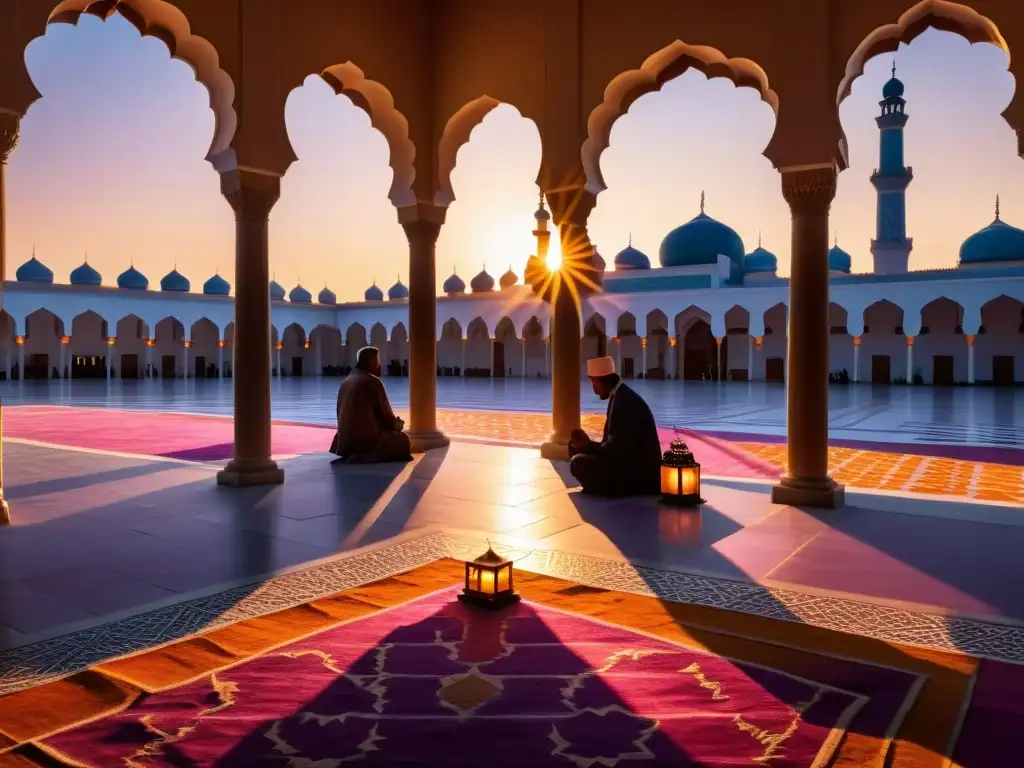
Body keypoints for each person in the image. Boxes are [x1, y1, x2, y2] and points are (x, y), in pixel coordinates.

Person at [568, 356, 662, 497]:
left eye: (593, 381)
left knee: (578, 462)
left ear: (602, 380)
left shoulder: (626, 402)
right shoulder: (619, 396)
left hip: (638, 475)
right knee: (574, 446)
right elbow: (613, 446)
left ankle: (607, 488)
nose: (593, 386)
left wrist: (588, 446)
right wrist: (587, 445)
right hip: (625, 463)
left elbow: (620, 452)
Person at [330, 346, 412, 463]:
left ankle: (356, 452)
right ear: (371, 362)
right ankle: (368, 455)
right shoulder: (372, 381)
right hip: (367, 440)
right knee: (403, 440)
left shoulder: (347, 381)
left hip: (345, 441)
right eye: (377, 361)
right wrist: (396, 425)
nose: (378, 365)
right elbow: (385, 415)